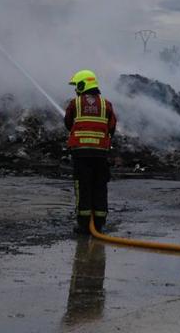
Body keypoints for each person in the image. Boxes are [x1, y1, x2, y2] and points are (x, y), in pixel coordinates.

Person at [65, 69, 117, 234]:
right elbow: (112, 127)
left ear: (83, 85)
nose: (75, 89)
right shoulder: (106, 104)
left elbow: (68, 123)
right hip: (101, 154)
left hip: (81, 154)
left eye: (77, 85)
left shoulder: (75, 103)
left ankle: (83, 224)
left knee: (83, 187)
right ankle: (99, 224)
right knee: (100, 186)